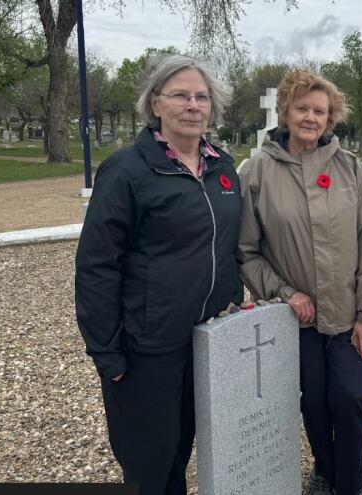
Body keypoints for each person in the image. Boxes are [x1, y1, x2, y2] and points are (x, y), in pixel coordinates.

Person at [75, 55, 241, 495]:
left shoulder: (223, 168)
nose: (193, 105)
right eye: (180, 95)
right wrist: (106, 353)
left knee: (184, 451)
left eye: (201, 96)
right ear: (155, 104)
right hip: (149, 347)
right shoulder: (127, 170)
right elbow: (96, 266)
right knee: (151, 463)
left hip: (209, 339)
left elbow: (228, 248)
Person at [237, 68, 362, 495]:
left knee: (353, 397)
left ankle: (350, 486)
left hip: (347, 314)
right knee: (315, 404)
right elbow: (246, 251)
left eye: (319, 111)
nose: (310, 117)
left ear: (330, 117)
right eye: (302, 108)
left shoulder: (350, 168)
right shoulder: (258, 172)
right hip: (296, 317)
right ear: (285, 112)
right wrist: (284, 293)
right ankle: (326, 470)